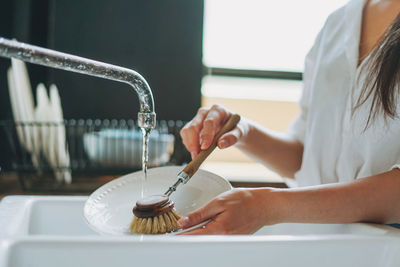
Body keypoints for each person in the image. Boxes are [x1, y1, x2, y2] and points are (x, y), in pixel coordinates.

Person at [177, 0, 400, 235]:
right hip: (322, 246)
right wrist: (243, 131)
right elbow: (307, 158)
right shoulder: (339, 23)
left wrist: (271, 205)